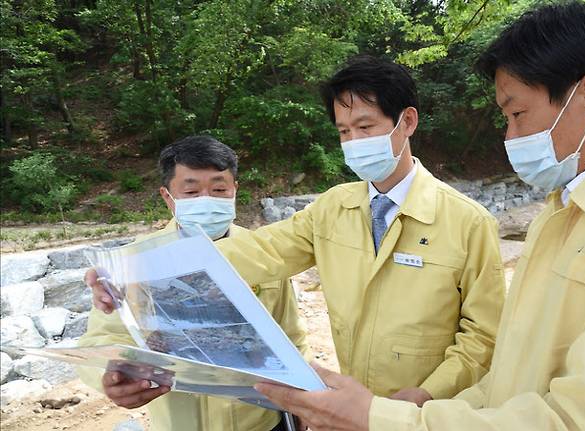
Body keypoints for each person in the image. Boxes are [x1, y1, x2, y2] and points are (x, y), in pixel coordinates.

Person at [254, 2, 585, 430]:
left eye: (517, 113)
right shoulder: (562, 210)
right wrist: (408, 415)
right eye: (344, 131)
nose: (510, 136)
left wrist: (389, 417)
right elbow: (511, 375)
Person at [90, 56, 506, 407]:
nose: (354, 141)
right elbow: (258, 252)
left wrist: (426, 394)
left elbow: (484, 335)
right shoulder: (332, 208)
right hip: (355, 403)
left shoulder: (467, 222)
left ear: (407, 121)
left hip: (433, 413)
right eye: (344, 132)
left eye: (366, 127)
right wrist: (133, 272)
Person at [78, 136, 309, 431]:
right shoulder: (136, 261)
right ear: (167, 197)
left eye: (218, 189)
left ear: (235, 191)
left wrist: (303, 404)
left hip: (261, 422)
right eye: (191, 191)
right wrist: (110, 377)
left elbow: (291, 335)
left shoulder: (263, 253)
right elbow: (100, 341)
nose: (206, 200)